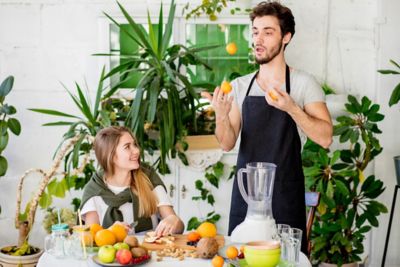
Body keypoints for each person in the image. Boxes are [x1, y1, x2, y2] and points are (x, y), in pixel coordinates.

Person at [202, 1, 333, 253]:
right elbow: (227, 142)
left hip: (285, 195)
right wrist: (221, 115)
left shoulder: (303, 83)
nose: (258, 39)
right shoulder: (242, 86)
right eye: (255, 31)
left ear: (286, 37)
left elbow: (325, 138)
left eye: (268, 32)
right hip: (246, 200)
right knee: (242, 259)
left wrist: (292, 108)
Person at [80, 126, 184, 237]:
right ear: (110, 156)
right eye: (127, 147)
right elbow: (89, 240)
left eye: (134, 144)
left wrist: (174, 221)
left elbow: (178, 227)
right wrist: (110, 233)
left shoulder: (149, 178)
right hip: (112, 254)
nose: (137, 150)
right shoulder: (94, 190)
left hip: (151, 252)